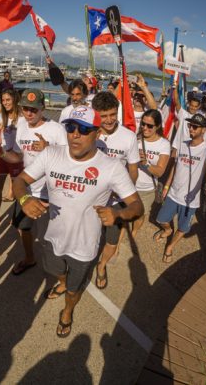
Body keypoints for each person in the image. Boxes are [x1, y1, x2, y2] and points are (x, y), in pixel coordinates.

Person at [13, 106, 143, 337]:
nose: (75, 134)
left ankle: (67, 311)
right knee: (54, 270)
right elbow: (20, 180)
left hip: (84, 246)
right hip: (52, 238)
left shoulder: (111, 167)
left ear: (97, 133)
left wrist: (118, 215)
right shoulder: (51, 154)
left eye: (83, 129)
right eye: (70, 127)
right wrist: (25, 198)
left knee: (74, 290)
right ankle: (63, 281)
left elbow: (137, 206)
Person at [0, 88, 68, 275]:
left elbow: (69, 162)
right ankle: (29, 258)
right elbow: (19, 156)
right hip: (28, 189)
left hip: (50, 192)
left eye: (34, 109)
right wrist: (2, 154)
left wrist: (49, 148)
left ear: (43, 108)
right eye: (25, 108)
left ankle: (60, 271)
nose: (29, 113)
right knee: (23, 227)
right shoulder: (21, 125)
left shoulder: (56, 129)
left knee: (51, 237)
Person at [91, 92, 140, 289]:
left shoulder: (129, 137)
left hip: (115, 201)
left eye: (113, 114)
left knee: (111, 241)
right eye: (104, 116)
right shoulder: (90, 133)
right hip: (91, 197)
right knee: (88, 236)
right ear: (96, 115)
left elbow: (133, 170)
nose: (109, 120)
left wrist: (122, 193)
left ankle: (101, 267)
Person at [156, 114, 206, 263]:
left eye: (195, 126)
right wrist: (167, 186)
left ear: (203, 130)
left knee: (183, 228)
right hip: (174, 193)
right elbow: (175, 167)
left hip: (190, 200)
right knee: (161, 218)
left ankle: (170, 247)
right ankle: (167, 229)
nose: (191, 128)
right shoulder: (183, 144)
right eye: (190, 125)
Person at [131, 109, 171, 238]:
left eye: (150, 125)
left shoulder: (164, 144)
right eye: (143, 124)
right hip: (129, 184)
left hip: (146, 188)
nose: (145, 128)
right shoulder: (134, 139)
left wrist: (146, 163)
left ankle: (134, 231)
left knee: (139, 214)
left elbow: (160, 172)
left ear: (158, 126)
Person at [0, 88, 23, 224]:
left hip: (16, 157)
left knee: (17, 188)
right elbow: (1, 132)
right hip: (2, 155)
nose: (5, 103)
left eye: (8, 100)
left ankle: (17, 215)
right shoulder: (2, 115)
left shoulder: (22, 117)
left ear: (14, 99)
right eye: (3, 100)